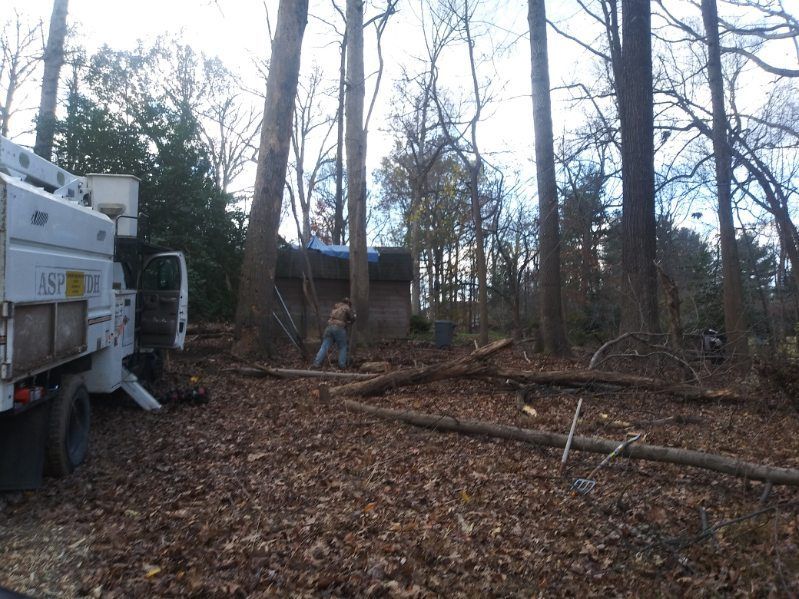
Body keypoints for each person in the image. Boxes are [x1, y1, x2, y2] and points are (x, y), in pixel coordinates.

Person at [312, 297, 356, 369]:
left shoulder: (336, 306)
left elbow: (337, 317)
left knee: (324, 346)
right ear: (348, 303)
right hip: (339, 328)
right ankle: (342, 365)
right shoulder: (346, 307)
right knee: (343, 346)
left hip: (329, 327)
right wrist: (354, 316)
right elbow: (351, 319)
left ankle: (316, 363)